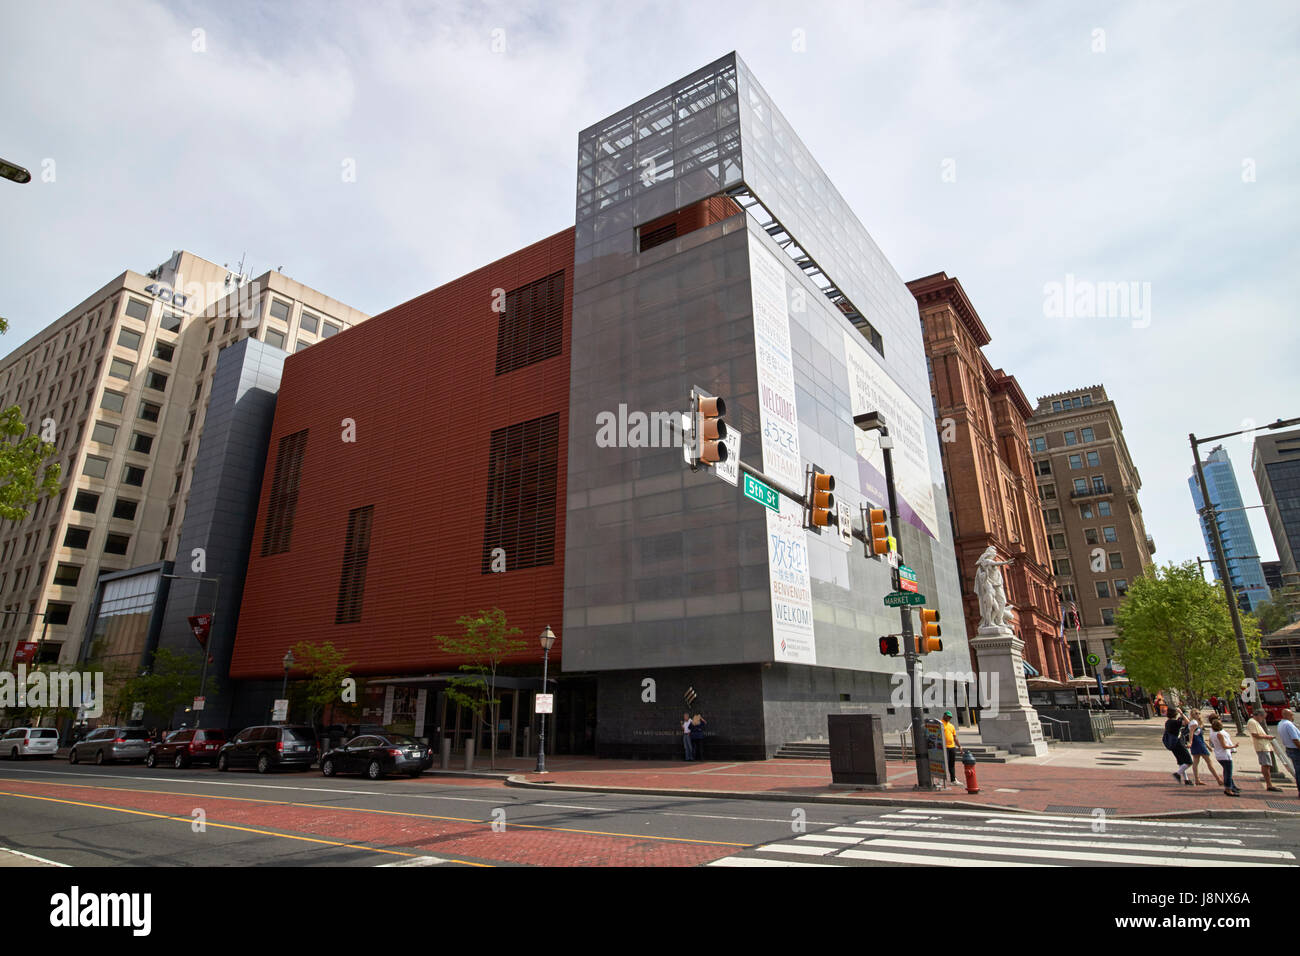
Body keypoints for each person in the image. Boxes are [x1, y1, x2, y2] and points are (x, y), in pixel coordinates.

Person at [1245, 706, 1283, 792]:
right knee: (1266, 765)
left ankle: (1269, 784)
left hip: (1264, 746)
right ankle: (1269, 784)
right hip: (1261, 747)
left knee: (1267, 765)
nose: (1263, 719)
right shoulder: (1252, 722)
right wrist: (1268, 737)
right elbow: (1255, 734)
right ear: (1258, 715)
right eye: (1262, 717)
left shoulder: (1255, 722)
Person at [1187, 710, 1222, 787]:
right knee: (1208, 761)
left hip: (1199, 743)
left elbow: (1200, 737)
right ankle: (1218, 779)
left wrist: (1208, 746)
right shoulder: (1194, 723)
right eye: (1196, 713)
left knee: (1196, 762)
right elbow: (1191, 733)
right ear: (1192, 715)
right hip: (1198, 744)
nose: (1198, 715)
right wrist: (1190, 742)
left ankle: (1197, 779)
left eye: (1199, 713)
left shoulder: (1197, 723)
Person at [1209, 717, 1241, 796]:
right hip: (1225, 755)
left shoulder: (1213, 733)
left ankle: (1229, 787)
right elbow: (1224, 746)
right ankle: (1228, 789)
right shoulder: (1219, 734)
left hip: (1219, 755)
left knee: (1226, 771)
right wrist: (1234, 746)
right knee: (1228, 773)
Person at [1162, 708, 1193, 785]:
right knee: (1189, 761)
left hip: (1172, 744)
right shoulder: (1175, 722)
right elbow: (1188, 723)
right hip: (1178, 744)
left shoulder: (1167, 722)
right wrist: (1182, 713)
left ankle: (1186, 779)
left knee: (1181, 762)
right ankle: (1177, 774)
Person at [1277, 709, 1300, 798]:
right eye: (1292, 715)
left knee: (1298, 771)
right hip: (1296, 750)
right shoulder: (1288, 725)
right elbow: (1295, 740)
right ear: (1286, 715)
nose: (1293, 717)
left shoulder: (1281, 724)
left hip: (1290, 749)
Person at [941, 710, 961, 783]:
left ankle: (953, 779)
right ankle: (942, 779)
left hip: (952, 747)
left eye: (950, 717)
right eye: (948, 716)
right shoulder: (940, 723)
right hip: (944, 747)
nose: (949, 718)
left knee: (951, 764)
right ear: (944, 715)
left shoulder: (951, 726)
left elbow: (955, 737)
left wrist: (959, 746)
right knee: (944, 763)